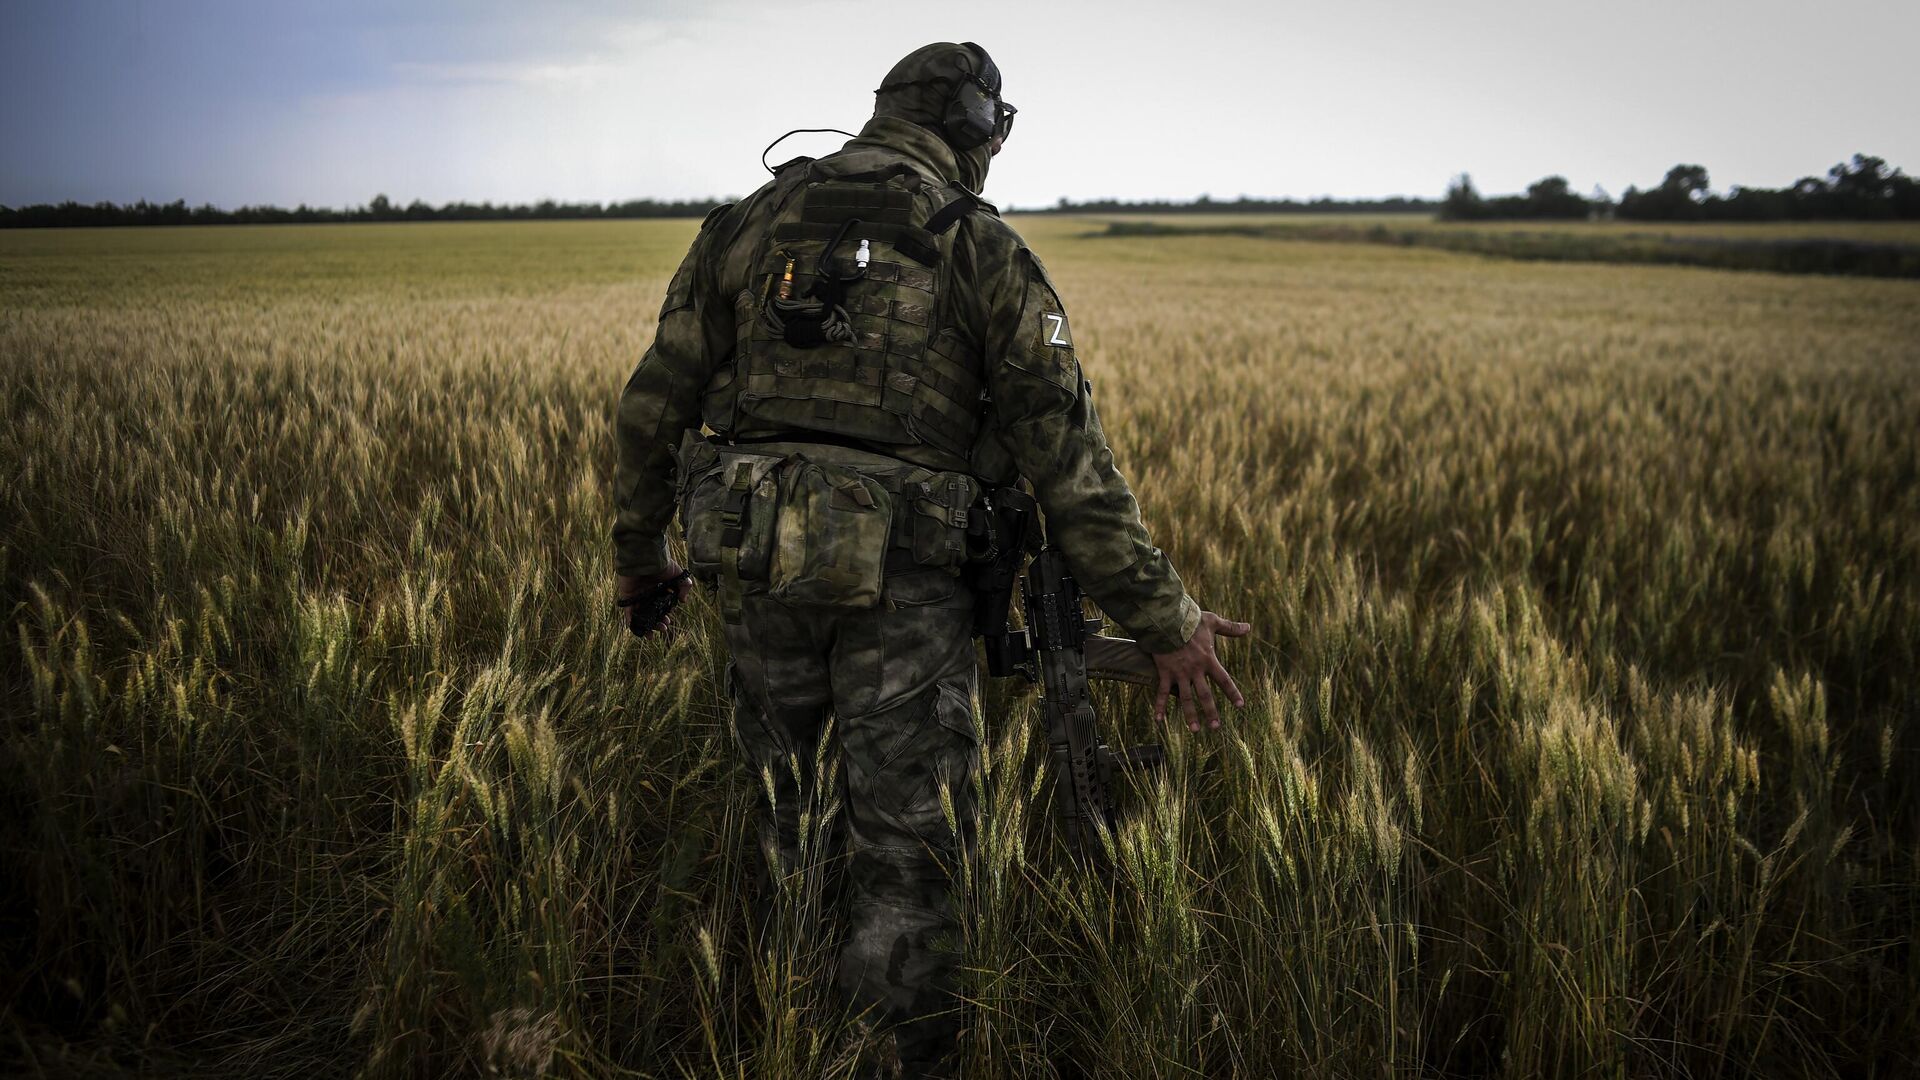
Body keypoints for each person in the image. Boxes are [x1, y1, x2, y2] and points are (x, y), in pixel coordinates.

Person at [612, 41, 1250, 1078]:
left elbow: (654, 408)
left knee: (785, 818)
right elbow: (1069, 462)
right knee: (908, 849)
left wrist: (640, 553)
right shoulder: (979, 245)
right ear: (975, 128)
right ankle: (893, 1058)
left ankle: (778, 1034)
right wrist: (1166, 621)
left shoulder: (745, 224)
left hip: (753, 570)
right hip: (902, 591)